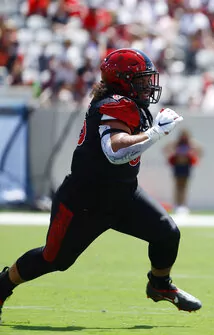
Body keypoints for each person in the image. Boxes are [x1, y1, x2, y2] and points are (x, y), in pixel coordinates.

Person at [0, 48, 202, 323]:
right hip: (85, 202)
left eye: (147, 79)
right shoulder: (115, 103)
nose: (147, 86)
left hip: (123, 195)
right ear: (122, 81)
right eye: (141, 80)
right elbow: (114, 151)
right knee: (54, 259)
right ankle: (3, 285)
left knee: (166, 233)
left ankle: (159, 284)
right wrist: (155, 133)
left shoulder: (129, 103)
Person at [164, 129, 202, 215]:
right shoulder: (177, 143)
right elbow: (166, 148)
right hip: (178, 165)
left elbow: (200, 149)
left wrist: (195, 154)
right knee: (177, 186)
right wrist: (171, 154)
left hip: (186, 166)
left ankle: (183, 205)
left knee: (184, 186)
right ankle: (177, 205)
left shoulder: (190, 144)